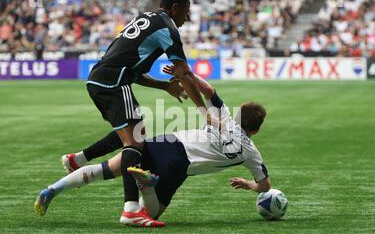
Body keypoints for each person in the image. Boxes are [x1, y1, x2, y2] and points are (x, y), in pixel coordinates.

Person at [35, 0, 208, 228]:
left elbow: (133, 71)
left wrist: (164, 87)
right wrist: (204, 111)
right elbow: (184, 72)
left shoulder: (145, 18)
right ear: (175, 7)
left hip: (100, 79)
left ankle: (78, 159)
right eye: (186, 12)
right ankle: (131, 210)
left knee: (132, 132)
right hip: (112, 83)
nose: (186, 19)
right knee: (135, 142)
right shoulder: (168, 28)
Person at [34, 75, 271, 225]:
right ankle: (147, 187)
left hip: (166, 142)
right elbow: (265, 186)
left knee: (108, 165)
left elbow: (208, 90)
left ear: (238, 114)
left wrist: (185, 74)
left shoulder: (226, 117)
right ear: (256, 131)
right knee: (152, 212)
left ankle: (53, 189)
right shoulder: (251, 152)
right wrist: (248, 184)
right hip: (179, 166)